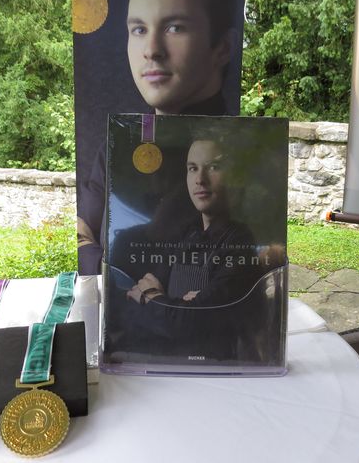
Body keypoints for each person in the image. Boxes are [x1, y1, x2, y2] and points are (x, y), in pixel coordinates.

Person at [77, 0, 239, 274]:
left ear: (222, 47)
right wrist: (108, 270)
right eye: (139, 29)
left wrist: (105, 265)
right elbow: (82, 227)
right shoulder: (118, 143)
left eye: (175, 27)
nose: (151, 50)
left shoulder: (235, 150)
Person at [106, 129, 278, 364]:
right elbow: (133, 305)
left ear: (234, 178)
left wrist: (155, 298)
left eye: (214, 167)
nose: (200, 179)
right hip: (165, 361)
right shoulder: (187, 234)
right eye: (192, 168)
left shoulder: (239, 242)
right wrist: (176, 307)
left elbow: (187, 322)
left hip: (219, 368)